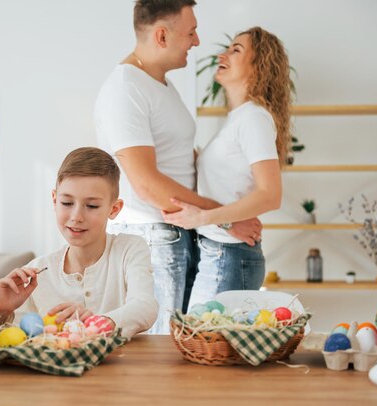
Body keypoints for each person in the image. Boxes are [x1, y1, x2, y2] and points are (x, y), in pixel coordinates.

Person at [94, 0, 261, 334]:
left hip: (174, 233)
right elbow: (147, 185)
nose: (197, 41)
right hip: (154, 236)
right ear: (161, 35)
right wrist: (226, 217)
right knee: (162, 353)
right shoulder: (126, 89)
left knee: (183, 347)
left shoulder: (160, 85)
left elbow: (181, 157)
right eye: (191, 32)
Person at [163, 27, 292, 309]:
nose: (222, 54)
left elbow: (270, 194)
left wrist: (205, 217)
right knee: (206, 345)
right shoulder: (240, 119)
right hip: (218, 252)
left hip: (229, 257)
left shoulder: (254, 119)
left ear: (259, 66)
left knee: (209, 345)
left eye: (236, 50)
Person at [0, 147, 158, 338]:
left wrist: (98, 324)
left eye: (92, 206)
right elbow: (8, 338)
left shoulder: (130, 249)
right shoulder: (36, 273)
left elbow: (145, 307)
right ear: (54, 200)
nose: (76, 216)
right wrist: (1, 311)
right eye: (67, 203)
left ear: (114, 208)